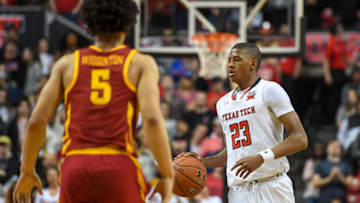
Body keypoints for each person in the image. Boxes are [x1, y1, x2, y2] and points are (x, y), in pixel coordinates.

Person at [13, 0, 174, 203]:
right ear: (129, 23)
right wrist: (167, 174)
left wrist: (27, 170)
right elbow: (151, 119)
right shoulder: (140, 63)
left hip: (75, 166)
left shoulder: (67, 64)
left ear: (87, 23)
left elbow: (36, 121)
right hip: (118, 165)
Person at [182, 42, 308, 203]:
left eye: (236, 60)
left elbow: (300, 139)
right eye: (229, 60)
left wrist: (261, 157)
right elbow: (233, 153)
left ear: (253, 64)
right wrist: (204, 162)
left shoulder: (270, 90)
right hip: (239, 192)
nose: (230, 65)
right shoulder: (222, 103)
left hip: (272, 186)